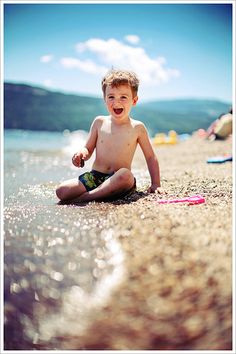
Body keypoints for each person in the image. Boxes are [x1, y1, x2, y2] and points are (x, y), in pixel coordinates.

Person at [56, 69, 163, 203]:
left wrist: (156, 184)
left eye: (123, 97)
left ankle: (88, 197)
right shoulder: (99, 122)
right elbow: (88, 149)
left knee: (126, 175)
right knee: (61, 190)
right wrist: (81, 154)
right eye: (111, 97)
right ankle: (99, 193)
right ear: (105, 99)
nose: (116, 102)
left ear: (134, 100)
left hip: (118, 179)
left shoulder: (138, 128)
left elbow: (150, 157)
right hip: (95, 177)